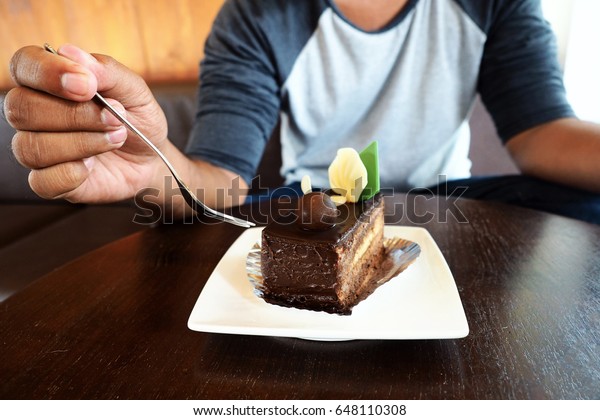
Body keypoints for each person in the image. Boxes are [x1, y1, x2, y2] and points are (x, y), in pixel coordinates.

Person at [4, 0, 600, 223]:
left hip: (443, 199)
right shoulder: (256, 16)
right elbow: (222, 175)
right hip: (309, 203)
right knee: (186, 228)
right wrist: (152, 172)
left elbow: (542, 131)